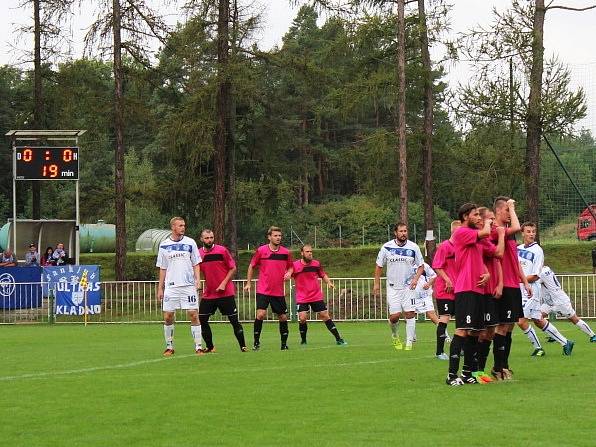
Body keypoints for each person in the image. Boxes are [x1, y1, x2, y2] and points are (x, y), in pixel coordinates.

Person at [445, 203, 491, 386]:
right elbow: (486, 233)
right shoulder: (461, 232)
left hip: (478, 288)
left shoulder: (474, 236)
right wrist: (488, 221)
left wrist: (486, 272)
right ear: (465, 217)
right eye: (476, 215)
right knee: (462, 329)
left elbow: (482, 256)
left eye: (480, 215)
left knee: (476, 331)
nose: (479, 217)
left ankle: (467, 373)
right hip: (466, 288)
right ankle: (451, 375)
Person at [490, 197, 531, 380]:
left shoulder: (509, 234)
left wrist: (525, 281)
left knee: (510, 327)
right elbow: (517, 226)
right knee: (501, 327)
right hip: (503, 283)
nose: (510, 214)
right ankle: (498, 368)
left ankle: (504, 365)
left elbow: (515, 261)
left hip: (514, 284)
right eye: (507, 210)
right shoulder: (496, 231)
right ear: (499, 211)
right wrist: (512, 206)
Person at [373, 222, 424, 351]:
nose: (403, 233)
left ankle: (409, 343)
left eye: (405, 231)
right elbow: (379, 266)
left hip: (408, 287)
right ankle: (395, 335)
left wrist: (415, 279)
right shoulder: (386, 247)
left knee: (410, 313)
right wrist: (376, 284)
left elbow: (421, 265)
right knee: (395, 316)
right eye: (401, 231)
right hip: (392, 287)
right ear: (395, 233)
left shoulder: (414, 247)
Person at [156, 217, 203, 356]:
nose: (183, 227)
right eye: (180, 225)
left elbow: (196, 263)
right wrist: (160, 288)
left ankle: (198, 346)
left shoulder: (190, 243)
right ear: (173, 227)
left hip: (188, 285)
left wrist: (198, 279)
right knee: (168, 316)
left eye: (184, 225)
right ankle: (169, 346)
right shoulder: (164, 245)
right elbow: (162, 267)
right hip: (171, 286)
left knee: (193, 314)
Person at [244, 226, 293, 351]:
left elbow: (291, 267)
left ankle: (284, 344)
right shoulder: (261, 251)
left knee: (282, 317)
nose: (278, 238)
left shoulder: (285, 252)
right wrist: (248, 283)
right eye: (275, 235)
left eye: (279, 236)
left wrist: (289, 273)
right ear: (269, 237)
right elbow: (251, 266)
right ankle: (256, 343)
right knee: (260, 314)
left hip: (278, 291)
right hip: (263, 290)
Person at [198, 229, 247, 352]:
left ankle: (243, 346)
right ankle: (210, 347)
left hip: (226, 292)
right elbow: (196, 270)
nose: (209, 240)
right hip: (209, 294)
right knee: (202, 319)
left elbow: (233, 268)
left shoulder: (222, 250)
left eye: (211, 237)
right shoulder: (198, 254)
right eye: (206, 238)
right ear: (201, 239)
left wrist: (224, 283)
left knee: (234, 320)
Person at [292, 244, 347, 346]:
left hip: (315, 295)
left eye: (311, 251)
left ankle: (338, 339)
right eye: (307, 252)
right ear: (302, 253)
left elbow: (323, 274)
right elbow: (288, 275)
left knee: (325, 316)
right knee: (303, 318)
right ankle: (303, 340)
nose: (310, 253)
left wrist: (329, 282)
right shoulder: (295, 265)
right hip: (302, 297)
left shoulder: (316, 264)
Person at [474, 207, 505, 383]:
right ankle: (474, 370)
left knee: (490, 331)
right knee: (480, 332)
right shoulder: (481, 238)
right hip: (480, 290)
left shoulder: (487, 241)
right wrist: (501, 234)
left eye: (494, 218)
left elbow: (497, 258)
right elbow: (498, 253)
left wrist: (499, 283)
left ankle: (480, 370)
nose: (493, 222)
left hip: (491, 290)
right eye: (490, 219)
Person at [516, 222, 549, 356]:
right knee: (538, 320)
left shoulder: (538, 251)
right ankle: (565, 342)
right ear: (522, 233)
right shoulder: (518, 248)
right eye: (528, 231)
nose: (531, 234)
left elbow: (535, 276)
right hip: (518, 288)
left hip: (530, 290)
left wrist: (519, 280)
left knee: (520, 320)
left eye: (533, 231)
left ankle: (538, 347)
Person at [540, 266, 594, 343]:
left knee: (574, 319)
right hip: (549, 301)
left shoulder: (541, 273)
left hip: (559, 300)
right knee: (538, 317)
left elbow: (531, 280)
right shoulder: (546, 268)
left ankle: (593, 335)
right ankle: (556, 336)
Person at [432, 221, 461, 360]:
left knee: (462, 320)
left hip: (459, 289)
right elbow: (437, 266)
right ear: (452, 231)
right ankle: (439, 352)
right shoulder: (444, 246)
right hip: (445, 289)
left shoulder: (462, 247)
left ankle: (459, 348)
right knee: (444, 318)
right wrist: (448, 280)